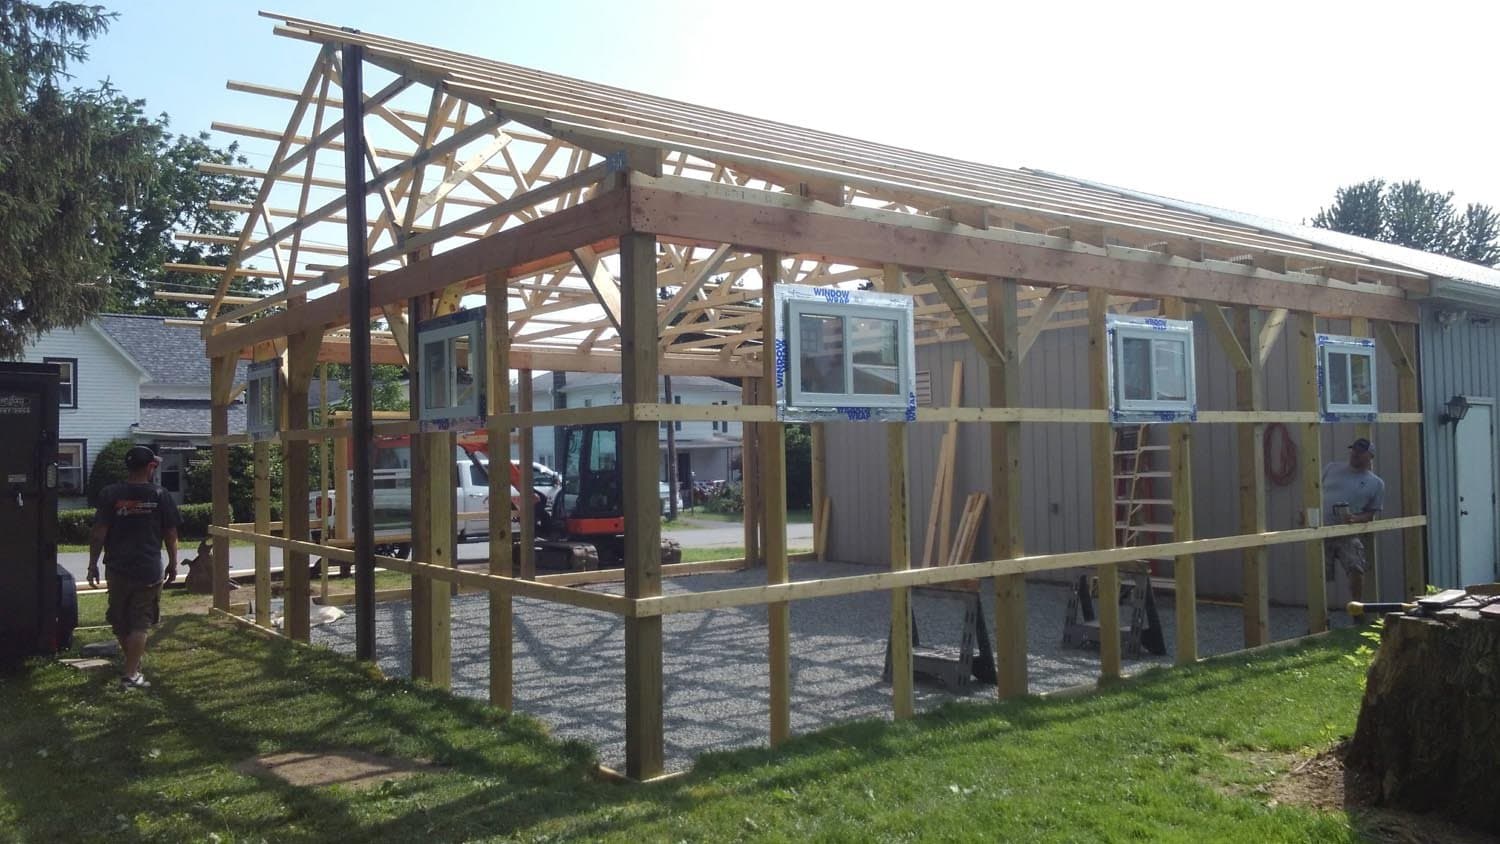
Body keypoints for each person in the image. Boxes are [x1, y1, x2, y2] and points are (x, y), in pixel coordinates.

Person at [87, 446, 181, 689]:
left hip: (117, 569)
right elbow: (170, 534)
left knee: (120, 621)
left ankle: (132, 666)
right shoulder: (160, 494)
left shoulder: (110, 494)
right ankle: (131, 675)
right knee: (140, 622)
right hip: (148, 569)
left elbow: (98, 534)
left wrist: (92, 564)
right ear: (151, 467)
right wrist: (173, 562)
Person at [1322, 438, 1385, 610]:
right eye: (1353, 450)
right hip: (1322, 529)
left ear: (1370, 456)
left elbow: (1371, 513)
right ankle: (1320, 617)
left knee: (1356, 568)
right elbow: (1314, 490)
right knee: (1320, 574)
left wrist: (1356, 519)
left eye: (1360, 452)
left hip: (1347, 532)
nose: (1355, 454)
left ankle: (1357, 611)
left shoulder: (1376, 483)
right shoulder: (1331, 468)